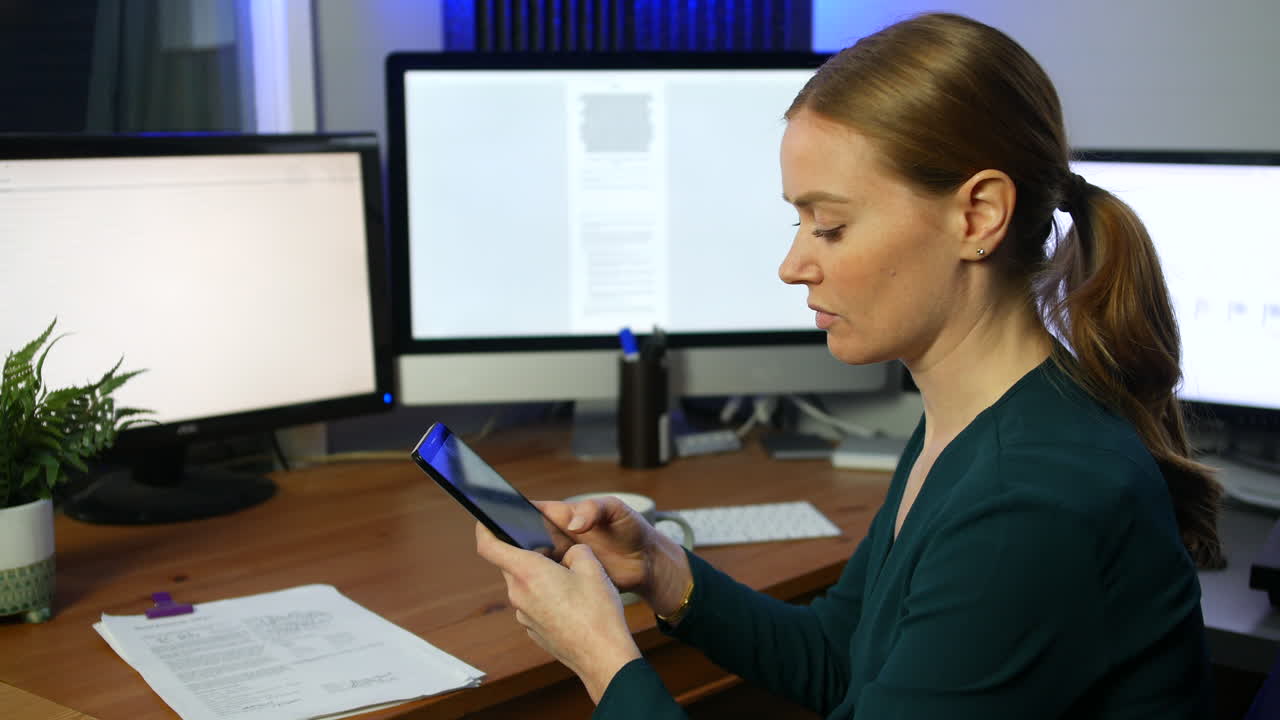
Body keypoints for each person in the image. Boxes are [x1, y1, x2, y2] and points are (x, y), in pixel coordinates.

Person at [475, 12, 1223, 719]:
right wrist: (661, 567)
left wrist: (603, 658)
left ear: (978, 216)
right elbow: (846, 655)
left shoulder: (1027, 500)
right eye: (796, 220)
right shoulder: (973, 422)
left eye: (830, 226)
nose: (793, 264)